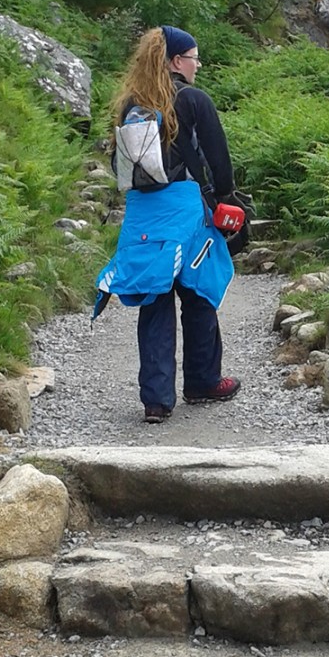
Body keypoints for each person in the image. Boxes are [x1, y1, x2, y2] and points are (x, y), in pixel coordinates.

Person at [93, 25, 244, 422]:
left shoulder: (131, 105)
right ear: (177, 61)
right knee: (199, 293)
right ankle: (202, 381)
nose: (198, 65)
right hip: (187, 210)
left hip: (143, 214)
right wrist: (227, 200)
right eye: (194, 57)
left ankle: (156, 401)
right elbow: (219, 160)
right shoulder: (193, 100)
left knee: (155, 299)